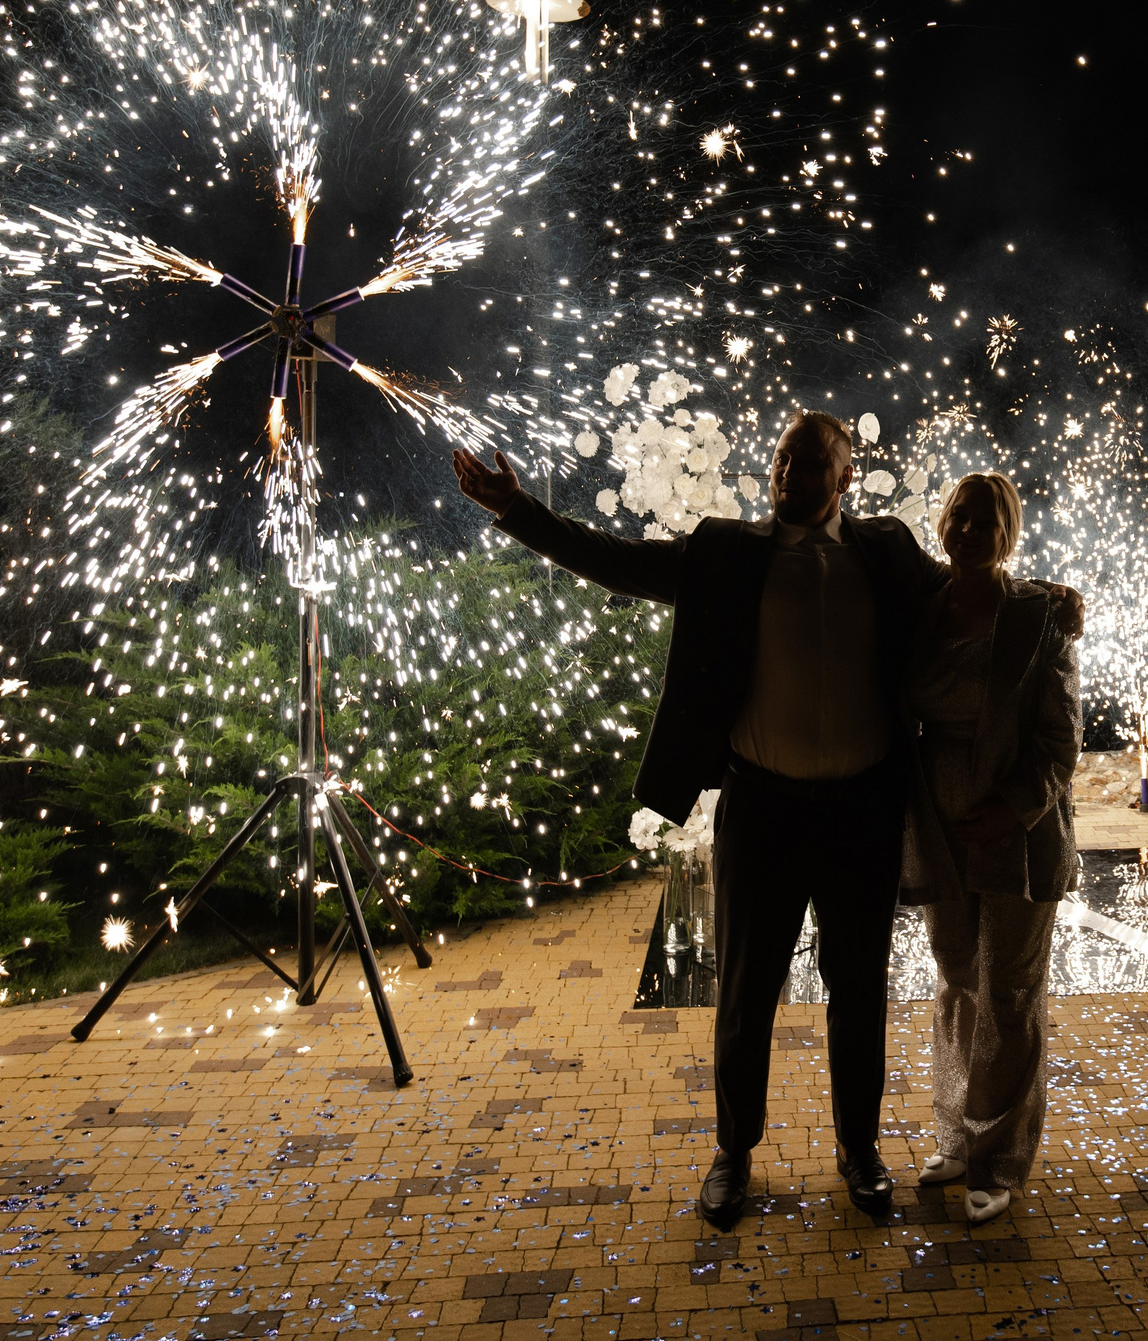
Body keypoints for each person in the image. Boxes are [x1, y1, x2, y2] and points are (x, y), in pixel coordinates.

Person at [453, 416, 1076, 1230]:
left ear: (846, 474)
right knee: (746, 992)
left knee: (861, 993)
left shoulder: (885, 551)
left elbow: (974, 584)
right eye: (784, 457)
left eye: (813, 460)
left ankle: (860, 1151)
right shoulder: (725, 550)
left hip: (862, 810)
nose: (790, 470)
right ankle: (732, 1154)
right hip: (762, 807)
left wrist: (1050, 598)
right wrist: (519, 511)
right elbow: (617, 562)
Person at [898, 472, 1080, 1226]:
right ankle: (954, 1131)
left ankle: (998, 1159)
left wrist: (1010, 810)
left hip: (1018, 834)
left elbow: (1060, 737)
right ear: (943, 522)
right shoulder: (920, 609)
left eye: (988, 519)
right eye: (960, 516)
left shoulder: (1039, 617)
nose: (970, 530)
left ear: (1010, 531)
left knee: (1008, 995)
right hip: (938, 830)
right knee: (955, 983)